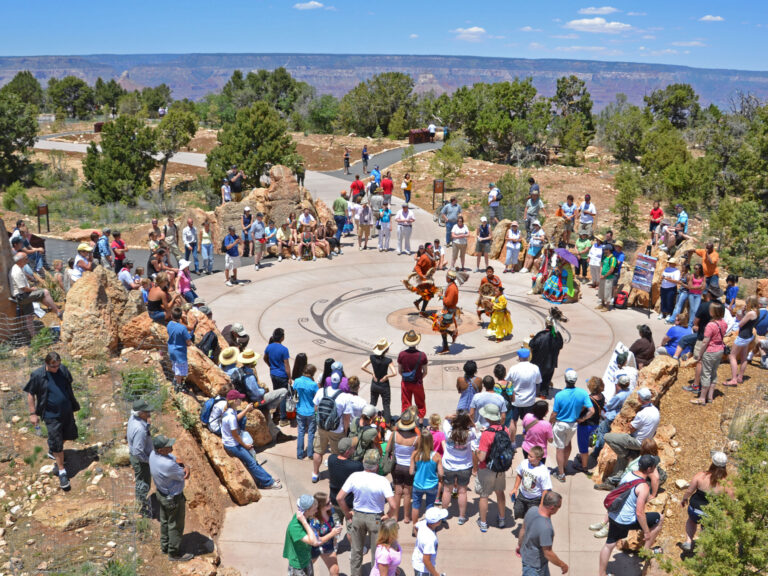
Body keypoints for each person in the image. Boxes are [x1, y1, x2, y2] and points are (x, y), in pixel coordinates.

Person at [598, 455, 664, 576]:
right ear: (649, 469)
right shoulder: (644, 487)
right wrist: (646, 532)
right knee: (659, 518)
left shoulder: (629, 474)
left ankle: (601, 574)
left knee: (609, 545)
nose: (655, 469)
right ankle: (646, 551)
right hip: (626, 520)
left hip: (614, 515)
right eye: (654, 467)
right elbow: (639, 513)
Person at [24, 352, 80, 491]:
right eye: (53, 366)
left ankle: (53, 449)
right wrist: (33, 414)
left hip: (66, 412)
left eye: (58, 365)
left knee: (68, 435)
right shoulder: (38, 375)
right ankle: (62, 471)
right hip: (50, 415)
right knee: (56, 441)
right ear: (46, 364)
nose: (56, 368)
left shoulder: (63, 370)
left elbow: (68, 386)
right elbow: (30, 393)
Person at [337, 449, 398, 576]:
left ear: (364, 462)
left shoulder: (355, 476)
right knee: (377, 553)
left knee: (356, 551)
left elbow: (339, 498)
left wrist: (347, 513)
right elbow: (393, 505)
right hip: (376, 518)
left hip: (358, 516)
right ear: (377, 465)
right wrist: (388, 515)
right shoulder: (383, 481)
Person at [221, 389, 282, 489]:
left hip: (232, 442)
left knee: (253, 460)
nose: (241, 400)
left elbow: (236, 419)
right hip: (233, 445)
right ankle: (268, 483)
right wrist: (245, 446)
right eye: (239, 398)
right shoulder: (231, 417)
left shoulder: (228, 411)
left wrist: (245, 410)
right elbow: (235, 435)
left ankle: (268, 478)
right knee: (252, 463)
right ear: (235, 401)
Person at [149, 435, 194, 561]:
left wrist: (179, 462)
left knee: (164, 521)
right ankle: (173, 554)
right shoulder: (168, 465)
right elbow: (183, 475)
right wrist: (187, 468)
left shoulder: (153, 455)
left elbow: (175, 458)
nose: (171, 446)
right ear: (161, 450)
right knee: (175, 525)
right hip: (173, 498)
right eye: (168, 446)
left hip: (162, 494)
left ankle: (165, 547)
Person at [680, 451, 732, 552]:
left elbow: (689, 490)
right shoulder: (727, 482)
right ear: (725, 465)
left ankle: (688, 541)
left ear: (712, 463)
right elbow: (731, 500)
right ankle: (701, 551)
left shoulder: (701, 475)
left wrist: (684, 499)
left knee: (691, 521)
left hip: (695, 509)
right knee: (706, 529)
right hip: (711, 513)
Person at [549, 369, 593, 482]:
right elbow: (591, 411)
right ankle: (563, 466)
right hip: (573, 424)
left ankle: (561, 473)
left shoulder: (559, 395)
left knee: (560, 448)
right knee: (567, 445)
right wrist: (582, 419)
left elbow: (554, 413)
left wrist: (549, 422)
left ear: (565, 380)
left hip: (560, 424)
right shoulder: (582, 393)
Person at [604, 388, 659, 476]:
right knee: (621, 455)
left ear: (640, 399)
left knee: (607, 437)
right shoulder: (656, 411)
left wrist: (630, 424)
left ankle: (627, 455)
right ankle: (616, 477)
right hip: (647, 442)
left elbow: (632, 428)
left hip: (637, 442)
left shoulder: (642, 413)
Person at [311, 373, 353, 483]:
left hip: (321, 427)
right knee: (337, 454)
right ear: (339, 382)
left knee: (318, 451)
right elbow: (346, 416)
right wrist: (345, 429)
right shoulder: (344, 396)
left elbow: (315, 408)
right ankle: (335, 475)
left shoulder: (321, 392)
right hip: (337, 430)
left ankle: (315, 474)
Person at [475, 404, 509, 532]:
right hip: (500, 468)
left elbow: (482, 457)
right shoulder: (505, 429)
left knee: (484, 495)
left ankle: (483, 523)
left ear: (488, 417)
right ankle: (502, 519)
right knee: (500, 492)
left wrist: (476, 452)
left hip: (486, 469)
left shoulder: (486, 434)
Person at [518, 491, 568, 576]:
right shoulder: (546, 528)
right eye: (559, 507)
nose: (559, 509)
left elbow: (523, 530)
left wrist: (520, 546)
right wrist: (562, 565)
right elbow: (548, 553)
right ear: (552, 507)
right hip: (534, 568)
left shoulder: (532, 510)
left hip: (531, 560)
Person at [440, 411, 477, 523]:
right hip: (465, 466)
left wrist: (448, 416)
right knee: (462, 492)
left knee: (447, 490)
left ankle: (444, 514)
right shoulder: (470, 434)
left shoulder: (449, 432)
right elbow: (475, 427)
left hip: (449, 465)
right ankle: (461, 517)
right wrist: (470, 421)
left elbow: (445, 420)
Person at [691, 301, 728, 404]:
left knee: (706, 374)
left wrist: (700, 354)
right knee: (714, 373)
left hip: (710, 351)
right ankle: (710, 396)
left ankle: (702, 398)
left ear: (712, 312)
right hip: (720, 349)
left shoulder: (710, 325)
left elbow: (705, 341)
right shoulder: (724, 323)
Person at [10, 253, 63, 323]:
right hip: (22, 297)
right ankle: (57, 311)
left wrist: (30, 277)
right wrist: (32, 289)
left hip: (23, 295)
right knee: (45, 292)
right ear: (20, 260)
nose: (27, 260)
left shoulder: (19, 268)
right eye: (26, 258)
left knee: (29, 316)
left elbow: (24, 276)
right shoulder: (17, 271)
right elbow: (23, 288)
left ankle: (33, 334)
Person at [504, 348, 542, 440]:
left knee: (513, 421)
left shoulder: (514, 368)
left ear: (519, 357)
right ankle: (528, 440)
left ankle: (512, 443)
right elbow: (538, 381)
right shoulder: (535, 368)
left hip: (515, 401)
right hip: (530, 401)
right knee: (528, 422)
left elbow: (506, 381)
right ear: (529, 356)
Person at [409, 432, 443, 532]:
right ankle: (429, 528)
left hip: (418, 484)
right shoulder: (436, 456)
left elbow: (411, 472)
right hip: (432, 485)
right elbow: (441, 473)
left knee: (415, 505)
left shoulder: (415, 454)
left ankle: (415, 528)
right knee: (430, 506)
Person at [511, 445, 552, 526]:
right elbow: (519, 475)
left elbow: (545, 489)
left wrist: (542, 504)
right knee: (518, 511)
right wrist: (515, 488)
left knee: (531, 518)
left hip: (535, 499)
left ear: (539, 458)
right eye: (528, 455)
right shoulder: (524, 463)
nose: (528, 457)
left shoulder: (543, 471)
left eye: (531, 456)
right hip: (522, 495)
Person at [284, 494, 324, 576]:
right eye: (314, 509)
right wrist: (304, 522)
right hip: (298, 565)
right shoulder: (295, 527)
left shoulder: (307, 517)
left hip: (306, 559)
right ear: (306, 511)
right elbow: (313, 542)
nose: (316, 511)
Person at [127, 399, 153, 516]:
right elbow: (138, 452)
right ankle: (141, 508)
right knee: (143, 483)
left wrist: (147, 424)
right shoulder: (140, 429)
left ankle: (141, 502)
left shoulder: (133, 418)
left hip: (136, 456)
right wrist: (149, 461)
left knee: (141, 481)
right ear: (141, 413)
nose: (149, 413)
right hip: (141, 460)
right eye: (147, 411)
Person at [726, 295, 759, 386]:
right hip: (749, 336)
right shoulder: (756, 312)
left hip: (742, 337)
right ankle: (740, 377)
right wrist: (744, 312)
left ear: (750, 303)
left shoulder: (750, 313)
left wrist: (742, 315)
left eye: (747, 302)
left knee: (732, 356)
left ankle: (733, 379)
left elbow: (740, 324)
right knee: (744, 357)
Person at [361, 338, 396, 424]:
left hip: (374, 384)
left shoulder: (372, 357)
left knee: (372, 403)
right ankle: (387, 424)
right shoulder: (388, 360)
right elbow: (394, 373)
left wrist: (372, 374)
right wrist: (387, 376)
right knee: (386, 405)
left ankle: (368, 421)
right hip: (384, 385)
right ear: (386, 350)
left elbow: (363, 366)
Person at [528, 315, 564, 400]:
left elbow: (532, 344)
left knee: (534, 378)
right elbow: (560, 346)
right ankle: (543, 394)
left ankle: (531, 392)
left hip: (539, 363)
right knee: (547, 379)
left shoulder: (541, 335)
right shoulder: (558, 336)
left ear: (546, 324)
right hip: (551, 363)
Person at [575, 377, 605, 473]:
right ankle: (584, 458)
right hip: (595, 424)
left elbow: (584, 410)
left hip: (585, 425)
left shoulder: (589, 399)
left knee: (583, 446)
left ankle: (584, 467)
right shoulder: (602, 396)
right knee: (590, 442)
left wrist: (581, 418)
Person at [309, 492, 343, 576]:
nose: (331, 504)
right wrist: (332, 533)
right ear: (320, 507)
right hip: (313, 549)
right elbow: (317, 541)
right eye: (328, 503)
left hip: (328, 547)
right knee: (304, 571)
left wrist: (337, 528)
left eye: (330, 501)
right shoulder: (314, 522)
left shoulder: (331, 510)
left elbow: (336, 521)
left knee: (335, 571)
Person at [264, 328, 292, 426]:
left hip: (273, 374)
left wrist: (270, 366)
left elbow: (265, 358)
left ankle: (276, 414)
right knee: (283, 395)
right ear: (282, 338)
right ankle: (283, 418)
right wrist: (289, 377)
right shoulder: (284, 349)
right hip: (282, 375)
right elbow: (286, 365)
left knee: (276, 394)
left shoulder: (269, 347)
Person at [398, 330, 429, 419]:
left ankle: (406, 420)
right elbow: (425, 372)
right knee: (420, 402)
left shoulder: (402, 354)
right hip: (417, 383)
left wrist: (407, 377)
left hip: (405, 382)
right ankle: (420, 421)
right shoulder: (422, 355)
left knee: (406, 402)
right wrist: (419, 377)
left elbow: (400, 371)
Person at [412, 507, 449, 576]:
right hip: (423, 570)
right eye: (440, 519)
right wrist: (436, 574)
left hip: (417, 561)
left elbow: (415, 526)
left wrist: (419, 538)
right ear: (436, 522)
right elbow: (426, 561)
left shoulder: (423, 523)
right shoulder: (430, 539)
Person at [167, 307, 196, 391]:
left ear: (172, 316)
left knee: (175, 367)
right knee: (180, 371)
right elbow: (188, 342)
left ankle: (175, 380)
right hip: (180, 352)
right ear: (180, 317)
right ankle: (178, 386)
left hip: (171, 350)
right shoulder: (182, 328)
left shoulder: (169, 324)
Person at [294, 364, 319, 460]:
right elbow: (317, 397)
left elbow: (295, 392)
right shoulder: (313, 385)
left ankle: (299, 454)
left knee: (300, 432)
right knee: (311, 433)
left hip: (300, 410)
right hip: (311, 411)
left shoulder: (297, 381)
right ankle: (310, 453)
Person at [433, 270, 460, 354]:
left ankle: (446, 347)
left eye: (446, 277)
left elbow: (448, 302)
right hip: (448, 310)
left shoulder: (452, 288)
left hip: (448, 312)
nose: (445, 278)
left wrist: (441, 297)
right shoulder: (452, 286)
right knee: (438, 323)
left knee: (440, 326)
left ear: (449, 278)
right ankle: (451, 334)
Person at [597, 244, 617, 311]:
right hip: (602, 277)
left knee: (607, 292)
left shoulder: (613, 258)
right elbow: (601, 265)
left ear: (608, 250)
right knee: (601, 291)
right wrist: (600, 274)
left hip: (608, 278)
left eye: (605, 249)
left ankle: (607, 306)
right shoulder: (605, 257)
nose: (604, 250)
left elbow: (611, 270)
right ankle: (602, 304)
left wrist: (604, 276)